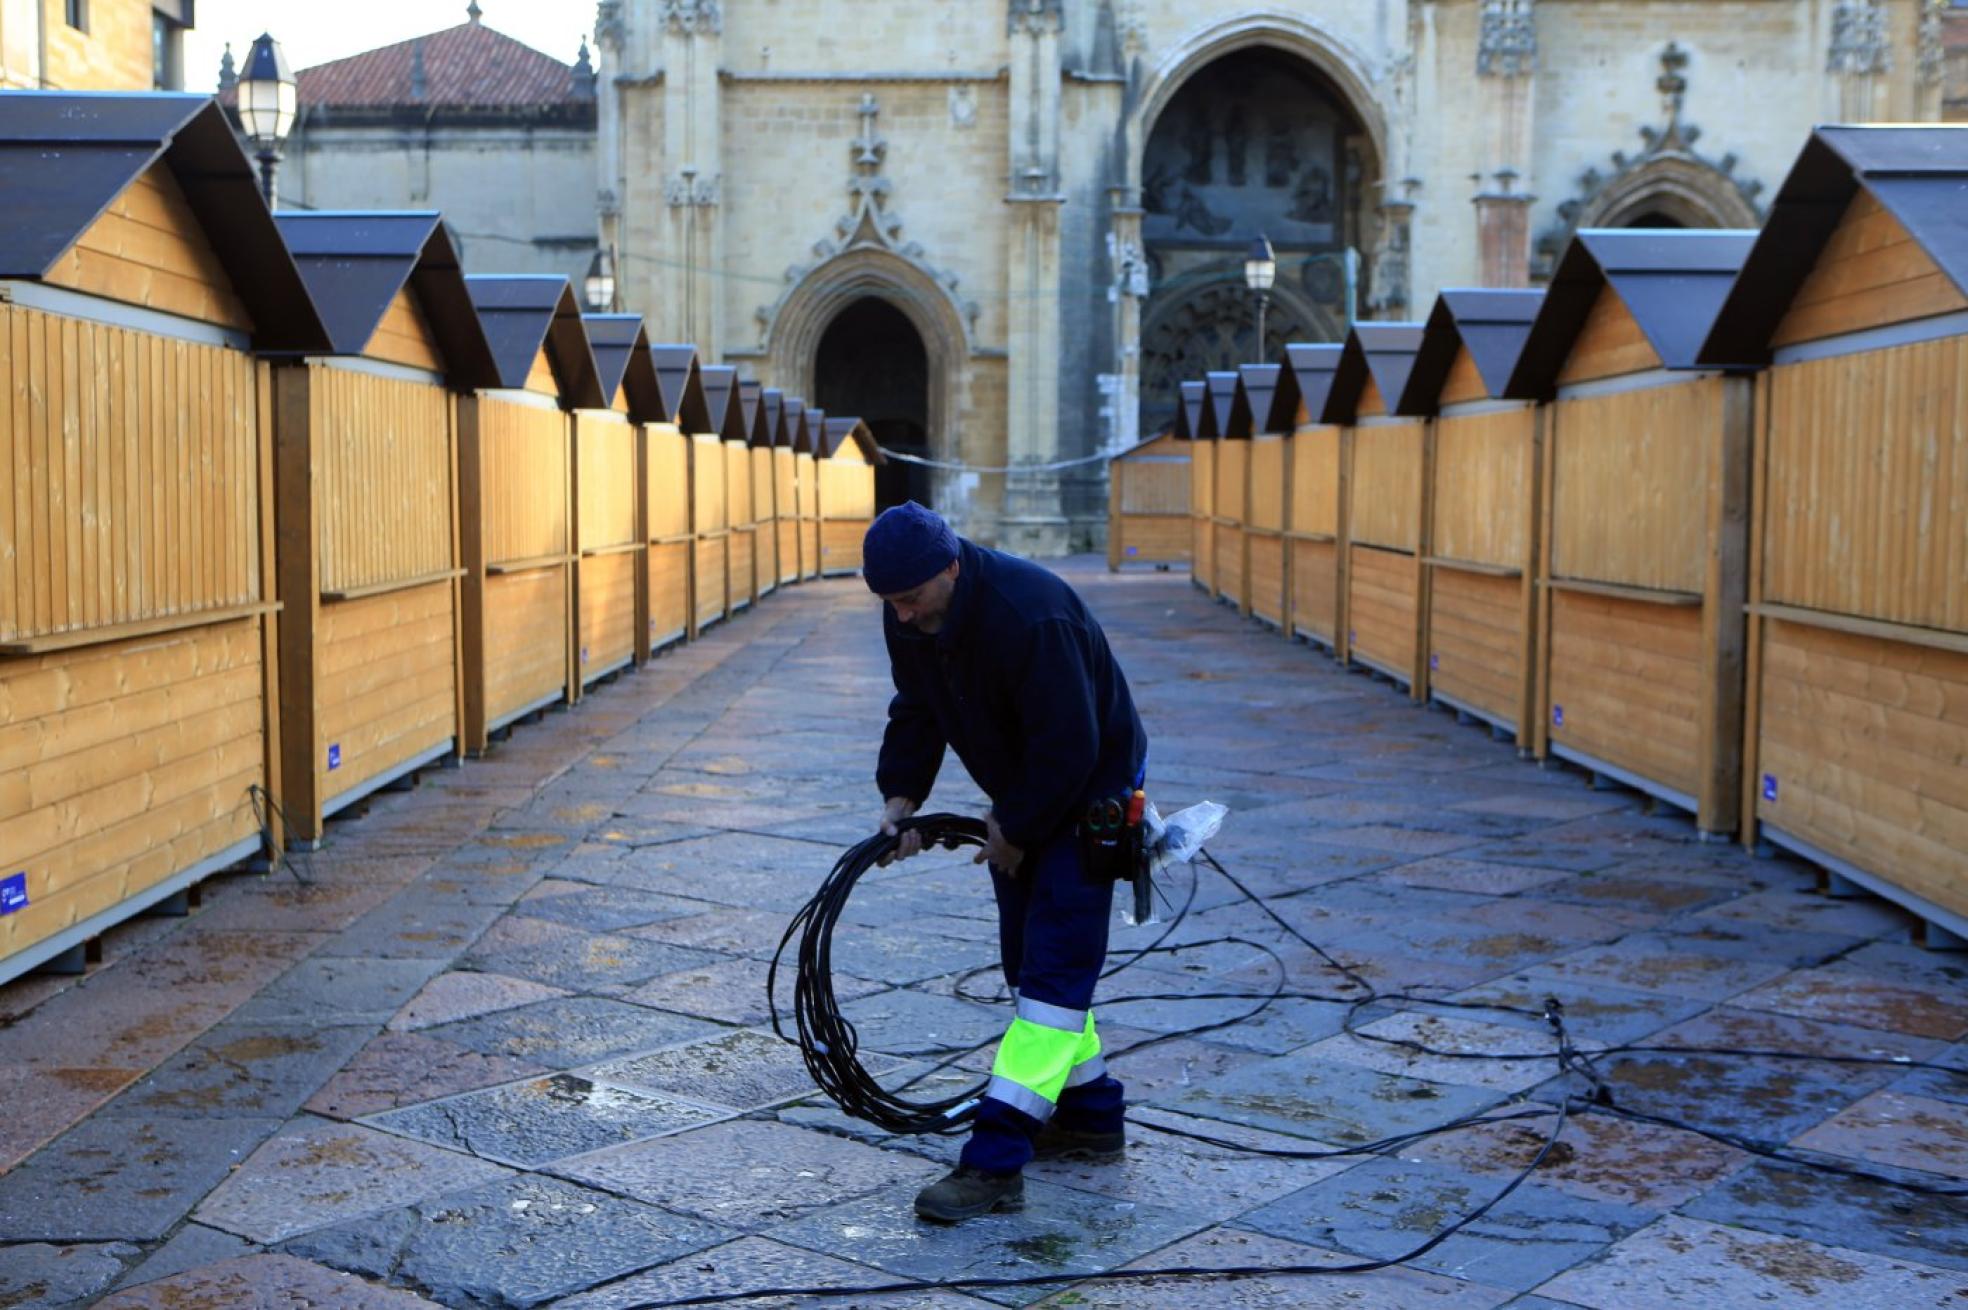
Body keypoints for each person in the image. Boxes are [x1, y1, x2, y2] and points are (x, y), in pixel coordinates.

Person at [863, 501, 1149, 1223]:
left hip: (1086, 797)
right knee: (1032, 971)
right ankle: (1090, 1118)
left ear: (951, 567)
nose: (901, 617)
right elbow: (918, 707)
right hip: (1022, 793)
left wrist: (1014, 828)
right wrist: (900, 802)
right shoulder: (914, 611)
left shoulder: (1032, 613)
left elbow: (1070, 744)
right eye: (890, 604)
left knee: (1053, 983)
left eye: (911, 599)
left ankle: (995, 1162)